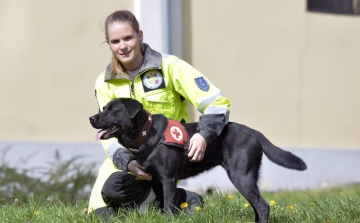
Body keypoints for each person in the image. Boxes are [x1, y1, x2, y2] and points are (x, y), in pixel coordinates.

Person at [88, 10, 231, 217]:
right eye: (116, 41)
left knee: (120, 208)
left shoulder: (171, 67)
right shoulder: (104, 82)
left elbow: (216, 103)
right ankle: (171, 201)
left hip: (167, 156)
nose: (123, 46)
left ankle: (169, 201)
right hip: (131, 158)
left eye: (128, 38)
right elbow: (108, 134)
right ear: (108, 44)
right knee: (99, 213)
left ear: (140, 35)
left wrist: (204, 135)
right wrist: (127, 162)